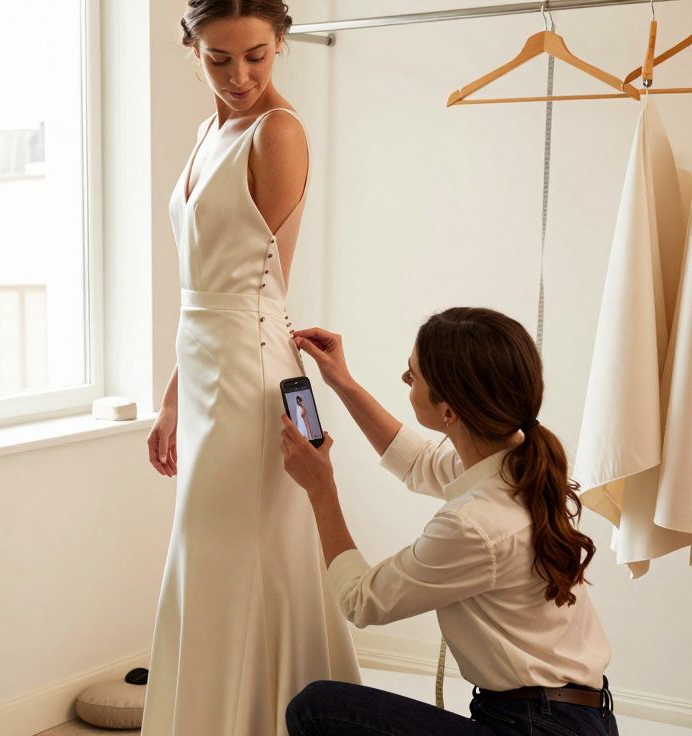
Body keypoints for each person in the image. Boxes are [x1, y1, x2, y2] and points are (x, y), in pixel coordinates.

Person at [141, 2, 359, 734]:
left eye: (257, 56)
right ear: (192, 51)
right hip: (202, 364)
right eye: (219, 59)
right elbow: (203, 288)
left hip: (248, 370)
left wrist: (208, 382)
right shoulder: (209, 130)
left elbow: (266, 289)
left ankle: (269, 715)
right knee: (211, 553)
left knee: (245, 548)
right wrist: (173, 396)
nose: (239, 76)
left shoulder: (279, 133)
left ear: (281, 46)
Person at [280, 307, 618, 736]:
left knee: (316, 709)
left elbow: (362, 601)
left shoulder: (474, 524)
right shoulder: (517, 462)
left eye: (413, 376)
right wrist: (342, 383)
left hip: (537, 728)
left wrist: (320, 489)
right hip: (572, 718)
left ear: (450, 412)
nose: (406, 381)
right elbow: (419, 461)